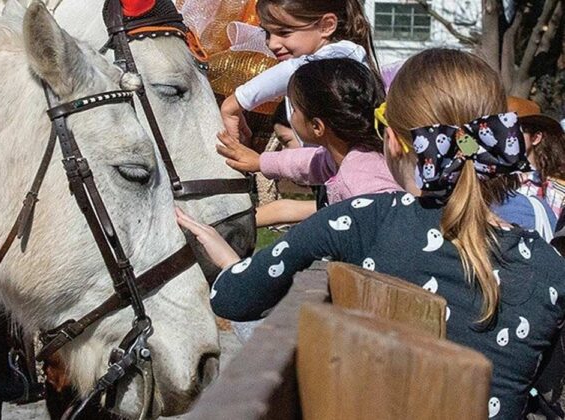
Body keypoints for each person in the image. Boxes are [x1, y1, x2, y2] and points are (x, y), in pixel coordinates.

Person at [178, 48, 565, 419]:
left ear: (393, 140)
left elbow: (233, 298)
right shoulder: (551, 267)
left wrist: (231, 263)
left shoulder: (367, 219)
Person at [219, 58, 401, 228]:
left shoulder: (358, 181)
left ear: (317, 126)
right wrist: (260, 162)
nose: (291, 116)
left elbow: (391, 224)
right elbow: (310, 162)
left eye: (295, 109)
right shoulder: (354, 153)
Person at [218, 0, 379, 144]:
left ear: (327, 26)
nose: (272, 44)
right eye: (267, 33)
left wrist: (235, 103)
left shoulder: (341, 55)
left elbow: (295, 69)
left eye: (284, 33)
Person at [509, 97, 565, 225]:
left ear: (535, 138)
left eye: (515, 131)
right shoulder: (488, 185)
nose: (508, 138)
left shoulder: (558, 194)